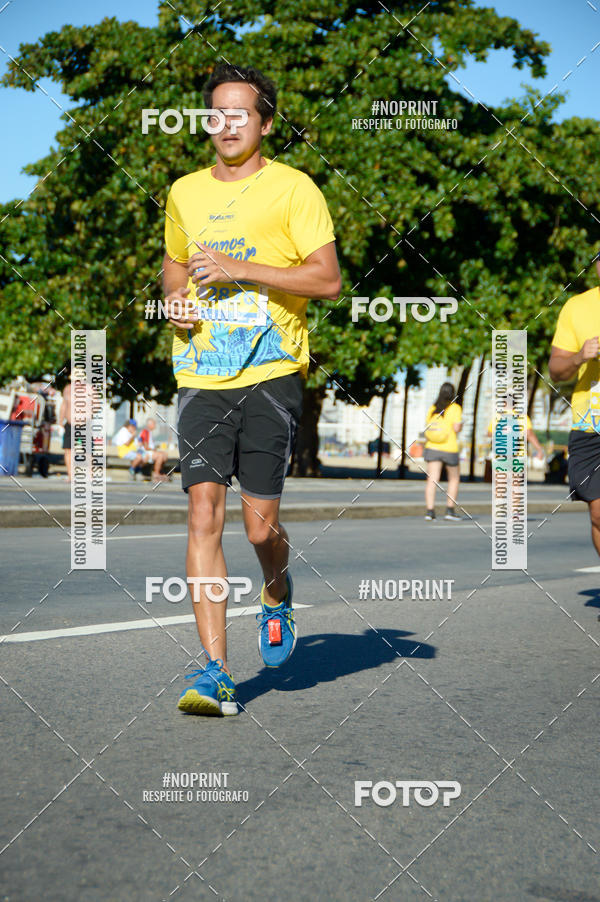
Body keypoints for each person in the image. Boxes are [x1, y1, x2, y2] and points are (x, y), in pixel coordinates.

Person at [163, 63, 341, 716]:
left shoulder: (295, 190)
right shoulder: (184, 192)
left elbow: (326, 280)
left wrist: (243, 267)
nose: (228, 123)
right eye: (218, 113)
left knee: (259, 525)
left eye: (242, 113)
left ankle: (277, 588)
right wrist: (176, 301)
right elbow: (174, 266)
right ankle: (216, 672)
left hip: (272, 374)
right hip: (200, 374)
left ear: (264, 123)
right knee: (202, 511)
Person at [549, 256, 600, 554]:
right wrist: (580, 356)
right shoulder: (577, 307)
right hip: (590, 425)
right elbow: (556, 369)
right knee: (597, 514)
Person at [423, 382, 463, 521]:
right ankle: (450, 510)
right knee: (454, 478)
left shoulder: (433, 409)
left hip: (432, 447)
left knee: (432, 479)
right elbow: (457, 428)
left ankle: (430, 512)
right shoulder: (455, 408)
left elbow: (427, 427)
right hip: (449, 448)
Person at [138, 418, 169, 482]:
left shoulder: (149, 432)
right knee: (160, 456)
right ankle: (156, 473)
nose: (155, 425)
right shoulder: (145, 432)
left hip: (149, 451)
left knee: (165, 454)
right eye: (154, 424)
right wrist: (154, 450)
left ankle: (160, 472)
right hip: (145, 453)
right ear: (150, 424)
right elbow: (146, 447)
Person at [59, 381, 73, 481]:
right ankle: (71, 476)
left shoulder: (89, 389)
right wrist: (60, 422)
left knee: (87, 451)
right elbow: (64, 405)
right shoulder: (68, 389)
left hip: (85, 424)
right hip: (69, 424)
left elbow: (96, 405)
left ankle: (90, 475)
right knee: (68, 450)